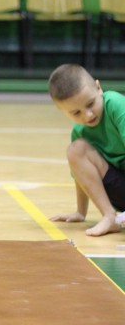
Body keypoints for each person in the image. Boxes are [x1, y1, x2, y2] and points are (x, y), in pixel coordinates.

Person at [48, 63, 125, 237]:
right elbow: (81, 176)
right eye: (76, 113)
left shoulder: (116, 105)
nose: (88, 115)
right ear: (64, 112)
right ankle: (109, 217)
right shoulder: (79, 132)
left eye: (90, 104)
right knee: (76, 150)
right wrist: (80, 212)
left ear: (98, 88)